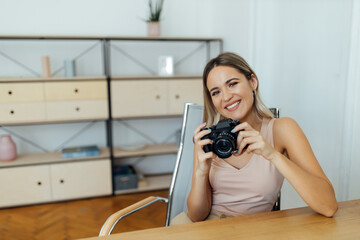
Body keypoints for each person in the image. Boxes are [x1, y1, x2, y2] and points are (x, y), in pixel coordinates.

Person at [171, 52, 337, 225]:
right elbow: (197, 216)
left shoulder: (282, 129)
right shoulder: (211, 139)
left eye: (232, 84)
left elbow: (328, 206)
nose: (226, 97)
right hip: (205, 228)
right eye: (216, 92)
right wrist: (201, 172)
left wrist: (271, 154)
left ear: (253, 82)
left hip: (252, 229)